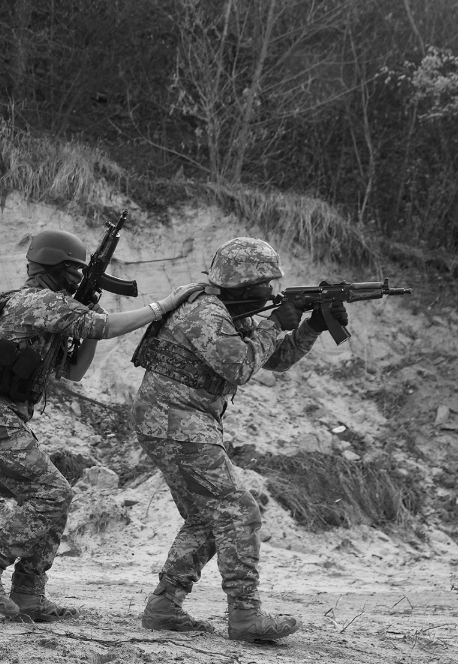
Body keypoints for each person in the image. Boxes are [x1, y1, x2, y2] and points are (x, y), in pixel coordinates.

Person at [0, 230, 201, 621]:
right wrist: (163, 305)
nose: (78, 278)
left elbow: (75, 371)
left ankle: (29, 593)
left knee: (54, 495)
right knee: (51, 495)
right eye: (75, 270)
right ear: (58, 268)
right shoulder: (40, 302)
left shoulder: (14, 303)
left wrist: (89, 318)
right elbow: (110, 327)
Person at [130, 237, 335, 642]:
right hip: (174, 421)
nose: (273, 292)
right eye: (266, 285)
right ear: (244, 283)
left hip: (179, 421)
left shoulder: (229, 310)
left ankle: (164, 606)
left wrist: (312, 326)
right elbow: (240, 366)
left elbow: (274, 359)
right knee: (239, 511)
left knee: (207, 518)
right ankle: (245, 616)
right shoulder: (205, 314)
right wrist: (276, 322)